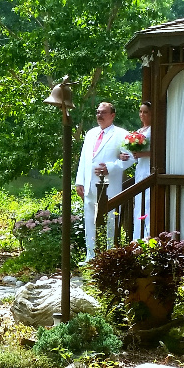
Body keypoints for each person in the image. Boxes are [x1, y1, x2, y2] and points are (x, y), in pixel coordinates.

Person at [73, 101, 131, 259]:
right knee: (90, 221)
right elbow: (84, 159)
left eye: (103, 112)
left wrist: (110, 167)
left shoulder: (121, 134)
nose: (99, 115)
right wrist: (79, 182)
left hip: (110, 186)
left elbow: (131, 158)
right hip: (89, 186)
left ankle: (108, 256)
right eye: (98, 112)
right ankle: (91, 257)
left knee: (110, 220)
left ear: (112, 115)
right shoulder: (91, 133)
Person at [128, 100, 152, 240]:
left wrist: (143, 154)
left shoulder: (153, 130)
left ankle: (147, 235)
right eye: (141, 112)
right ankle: (137, 236)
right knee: (139, 201)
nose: (142, 114)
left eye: (146, 112)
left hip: (149, 167)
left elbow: (158, 151)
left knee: (147, 201)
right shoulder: (138, 131)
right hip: (140, 168)